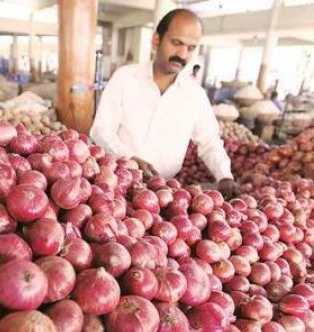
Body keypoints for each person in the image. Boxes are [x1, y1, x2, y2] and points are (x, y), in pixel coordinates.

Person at [90, 9, 236, 198]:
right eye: (177, 43)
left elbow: (209, 142)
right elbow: (101, 129)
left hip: (164, 195)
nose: (182, 54)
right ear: (156, 40)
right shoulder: (125, 78)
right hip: (116, 183)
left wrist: (224, 175)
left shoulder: (195, 94)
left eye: (191, 48)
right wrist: (128, 159)